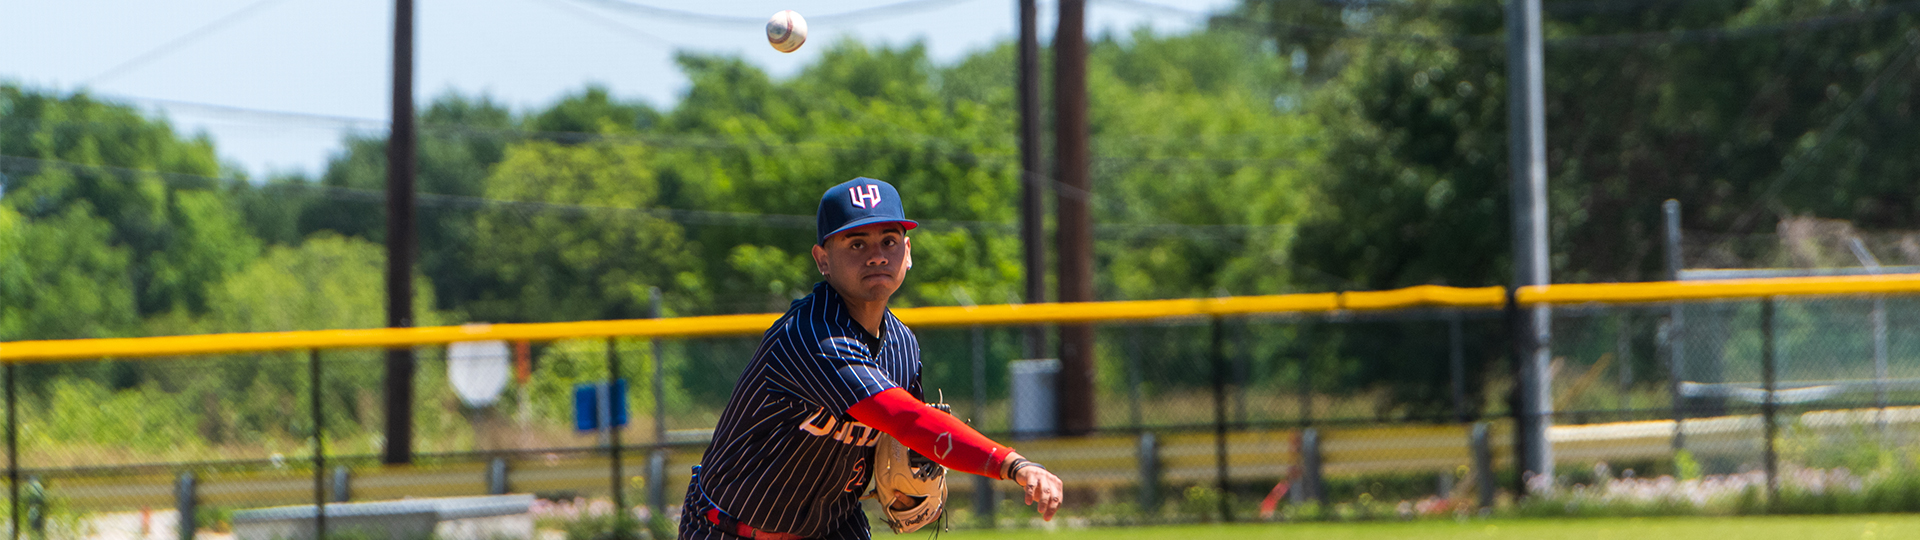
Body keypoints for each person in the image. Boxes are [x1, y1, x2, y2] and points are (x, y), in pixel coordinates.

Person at [679, 177, 1066, 540]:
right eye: (856, 243)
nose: (877, 256)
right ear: (822, 260)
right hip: (728, 527)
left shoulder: (902, 345)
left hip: (834, 526)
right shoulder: (812, 336)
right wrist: (1012, 464)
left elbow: (897, 440)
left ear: (908, 253)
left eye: (890, 240)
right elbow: (905, 419)